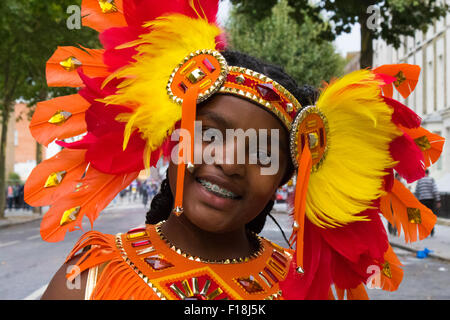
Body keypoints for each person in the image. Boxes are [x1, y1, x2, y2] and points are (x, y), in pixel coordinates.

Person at [25, 0, 443, 300]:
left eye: (263, 153)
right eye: (209, 135)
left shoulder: (306, 290)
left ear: (286, 180)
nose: (228, 162)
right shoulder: (93, 276)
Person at [415, 169, 441, 236]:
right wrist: (438, 201)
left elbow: (417, 192)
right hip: (430, 200)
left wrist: (416, 202)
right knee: (430, 216)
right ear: (428, 173)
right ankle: (431, 231)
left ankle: (424, 231)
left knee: (423, 217)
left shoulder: (419, 181)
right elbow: (435, 190)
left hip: (422, 201)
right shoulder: (431, 180)